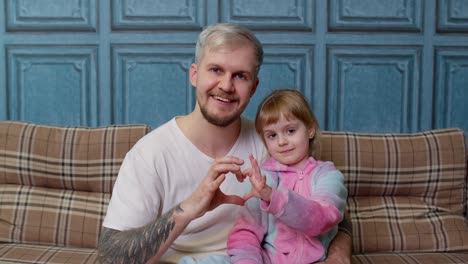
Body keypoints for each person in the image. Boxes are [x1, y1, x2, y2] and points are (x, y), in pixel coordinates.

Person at [97, 23, 352, 264]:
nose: (226, 86)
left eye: (240, 76)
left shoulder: (272, 142)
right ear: (195, 75)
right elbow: (110, 257)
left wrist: (338, 255)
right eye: (216, 70)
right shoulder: (150, 154)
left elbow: (331, 215)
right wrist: (188, 209)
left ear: (253, 87)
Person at [227, 89, 347, 263]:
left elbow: (322, 218)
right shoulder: (263, 178)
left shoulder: (327, 175)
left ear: (310, 129)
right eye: (272, 135)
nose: (282, 142)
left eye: (290, 131)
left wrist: (273, 197)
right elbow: (245, 235)